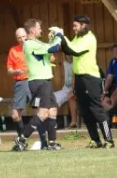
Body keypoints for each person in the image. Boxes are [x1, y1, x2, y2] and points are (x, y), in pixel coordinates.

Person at [59, 14, 114, 148]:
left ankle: (109, 140)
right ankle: (95, 140)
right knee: (84, 111)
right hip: (79, 78)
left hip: (90, 78)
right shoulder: (78, 37)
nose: (74, 28)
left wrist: (61, 36)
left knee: (97, 109)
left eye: (75, 25)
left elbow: (75, 51)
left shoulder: (89, 38)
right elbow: (67, 49)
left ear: (84, 25)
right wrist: (58, 38)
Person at [13, 19, 63, 151]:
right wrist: (59, 35)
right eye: (39, 28)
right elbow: (54, 48)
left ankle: (52, 143)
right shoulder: (29, 44)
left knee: (52, 111)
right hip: (39, 82)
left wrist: (52, 40)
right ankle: (22, 138)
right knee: (44, 113)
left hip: (45, 81)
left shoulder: (37, 43)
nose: (41, 30)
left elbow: (50, 55)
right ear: (32, 30)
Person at [7, 28, 31, 136]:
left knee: (43, 110)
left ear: (27, 35)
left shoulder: (33, 46)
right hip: (20, 82)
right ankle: (22, 138)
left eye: (23, 36)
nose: (22, 39)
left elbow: (51, 58)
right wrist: (16, 71)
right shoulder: (13, 50)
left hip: (34, 80)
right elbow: (9, 70)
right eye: (19, 37)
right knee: (15, 114)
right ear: (16, 39)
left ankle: (45, 140)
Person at [54, 54, 78, 128]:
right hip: (66, 88)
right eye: (68, 55)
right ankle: (52, 122)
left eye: (71, 55)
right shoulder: (64, 64)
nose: (70, 56)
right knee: (53, 96)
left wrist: (73, 89)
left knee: (71, 97)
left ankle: (74, 121)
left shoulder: (77, 64)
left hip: (76, 88)